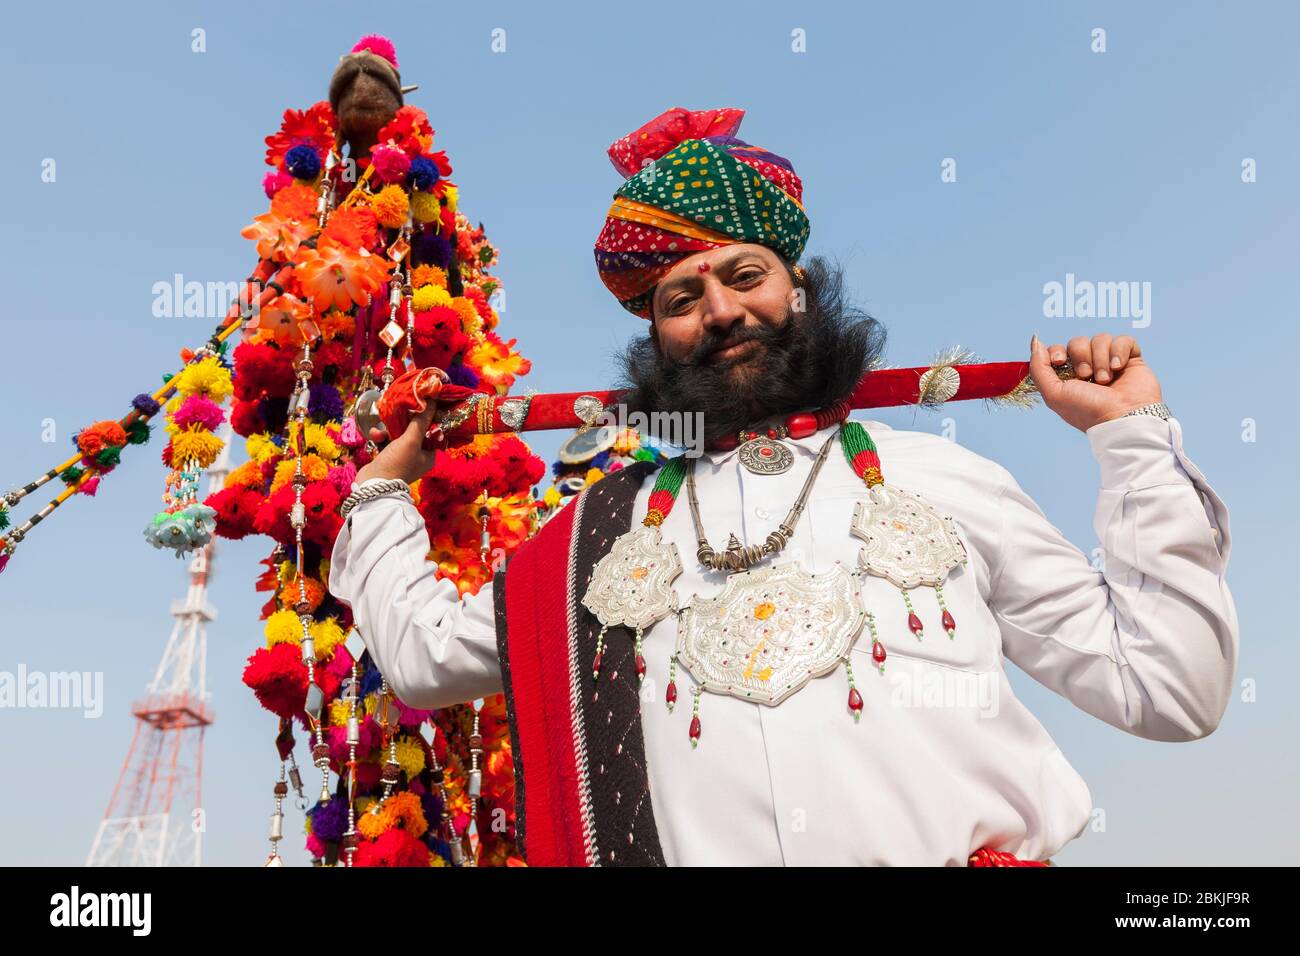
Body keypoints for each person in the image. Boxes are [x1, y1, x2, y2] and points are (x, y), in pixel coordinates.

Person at [329, 106, 1238, 866]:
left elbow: (1168, 687)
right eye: (680, 299)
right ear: (656, 337)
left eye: (743, 275)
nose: (721, 311)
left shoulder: (942, 479)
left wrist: (1131, 440)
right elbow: (422, 658)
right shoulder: (597, 535)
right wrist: (379, 488)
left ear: (797, 288)